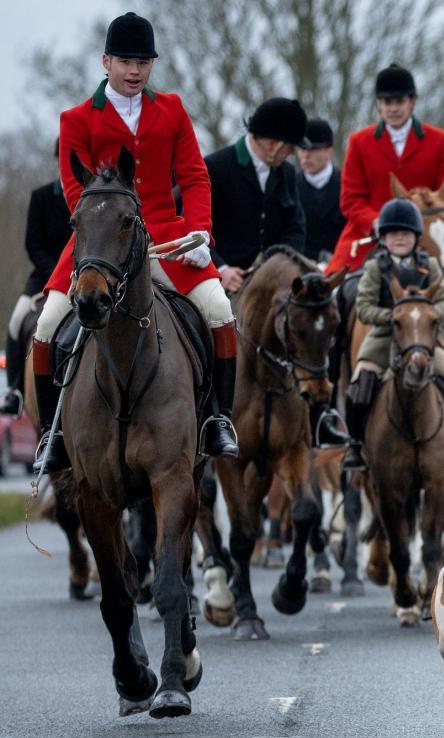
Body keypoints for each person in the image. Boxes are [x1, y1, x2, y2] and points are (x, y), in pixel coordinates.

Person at [33, 11, 237, 471]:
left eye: (143, 62)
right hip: (100, 244)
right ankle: (53, 437)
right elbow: (74, 191)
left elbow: (194, 176)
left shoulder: (172, 110)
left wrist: (199, 231)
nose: (134, 70)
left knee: (220, 310)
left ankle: (217, 421)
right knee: (46, 325)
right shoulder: (76, 119)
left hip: (166, 237)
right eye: (125, 60)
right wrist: (98, 232)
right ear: (105, 61)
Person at [341, 198, 444, 469]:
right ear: (383, 237)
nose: (400, 239)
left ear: (416, 237)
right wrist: (392, 317)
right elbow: (364, 308)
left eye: (405, 234)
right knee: (359, 380)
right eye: (394, 234)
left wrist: (426, 315)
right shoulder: (374, 268)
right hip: (384, 337)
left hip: (424, 338)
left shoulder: (429, 265)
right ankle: (355, 444)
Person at [327, 63, 444, 275]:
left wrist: (426, 224)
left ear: (412, 102)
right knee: (331, 289)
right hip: (373, 232)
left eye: (399, 101)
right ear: (378, 104)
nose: (393, 108)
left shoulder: (440, 141)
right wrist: (378, 222)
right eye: (387, 101)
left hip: (430, 233)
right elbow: (350, 199)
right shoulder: (358, 142)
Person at [205, 97, 308, 286]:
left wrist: (277, 265)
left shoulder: (287, 173)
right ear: (272, 143)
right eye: (290, 147)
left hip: (272, 280)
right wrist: (220, 268)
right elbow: (195, 231)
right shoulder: (215, 167)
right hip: (220, 279)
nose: (293, 153)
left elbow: (295, 229)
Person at [1, 141, 71, 417]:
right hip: (45, 278)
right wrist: (58, 272)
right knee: (16, 322)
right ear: (57, 160)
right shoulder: (41, 197)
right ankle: (15, 390)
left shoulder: (94, 196)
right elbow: (33, 245)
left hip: (89, 278)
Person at [297, 118, 346, 263]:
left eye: (313, 149)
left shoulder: (347, 184)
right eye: (302, 149)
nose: (306, 155)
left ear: (329, 151)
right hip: (299, 264)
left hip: (340, 264)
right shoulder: (289, 186)